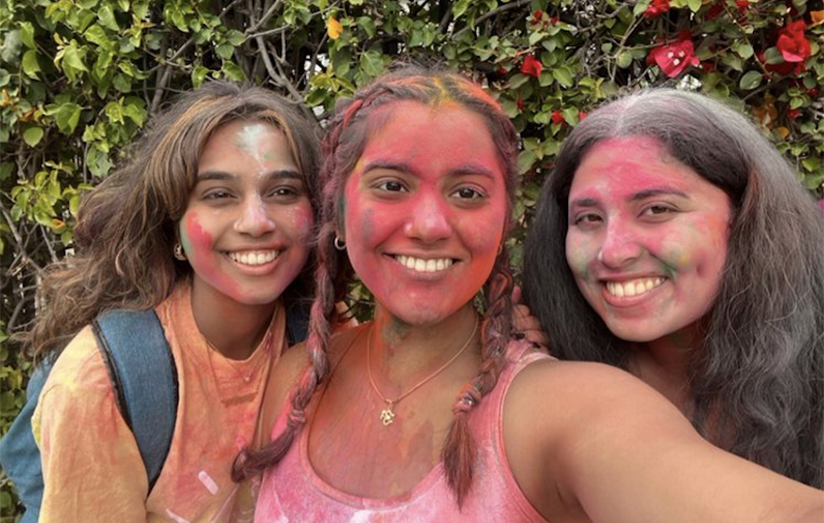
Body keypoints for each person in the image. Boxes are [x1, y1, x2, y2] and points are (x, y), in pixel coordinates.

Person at [233, 69, 824, 522]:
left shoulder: (561, 407)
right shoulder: (294, 383)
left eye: (468, 192)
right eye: (391, 185)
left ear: (503, 224)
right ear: (336, 207)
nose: (432, 224)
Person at [26, 82, 320, 522]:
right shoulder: (96, 388)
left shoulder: (324, 336)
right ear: (174, 229)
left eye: (282, 192)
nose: (256, 222)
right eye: (218, 195)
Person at [523, 88, 824, 489]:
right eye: (589, 218)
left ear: (746, 216)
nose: (612, 252)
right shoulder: (539, 373)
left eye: (657, 210)